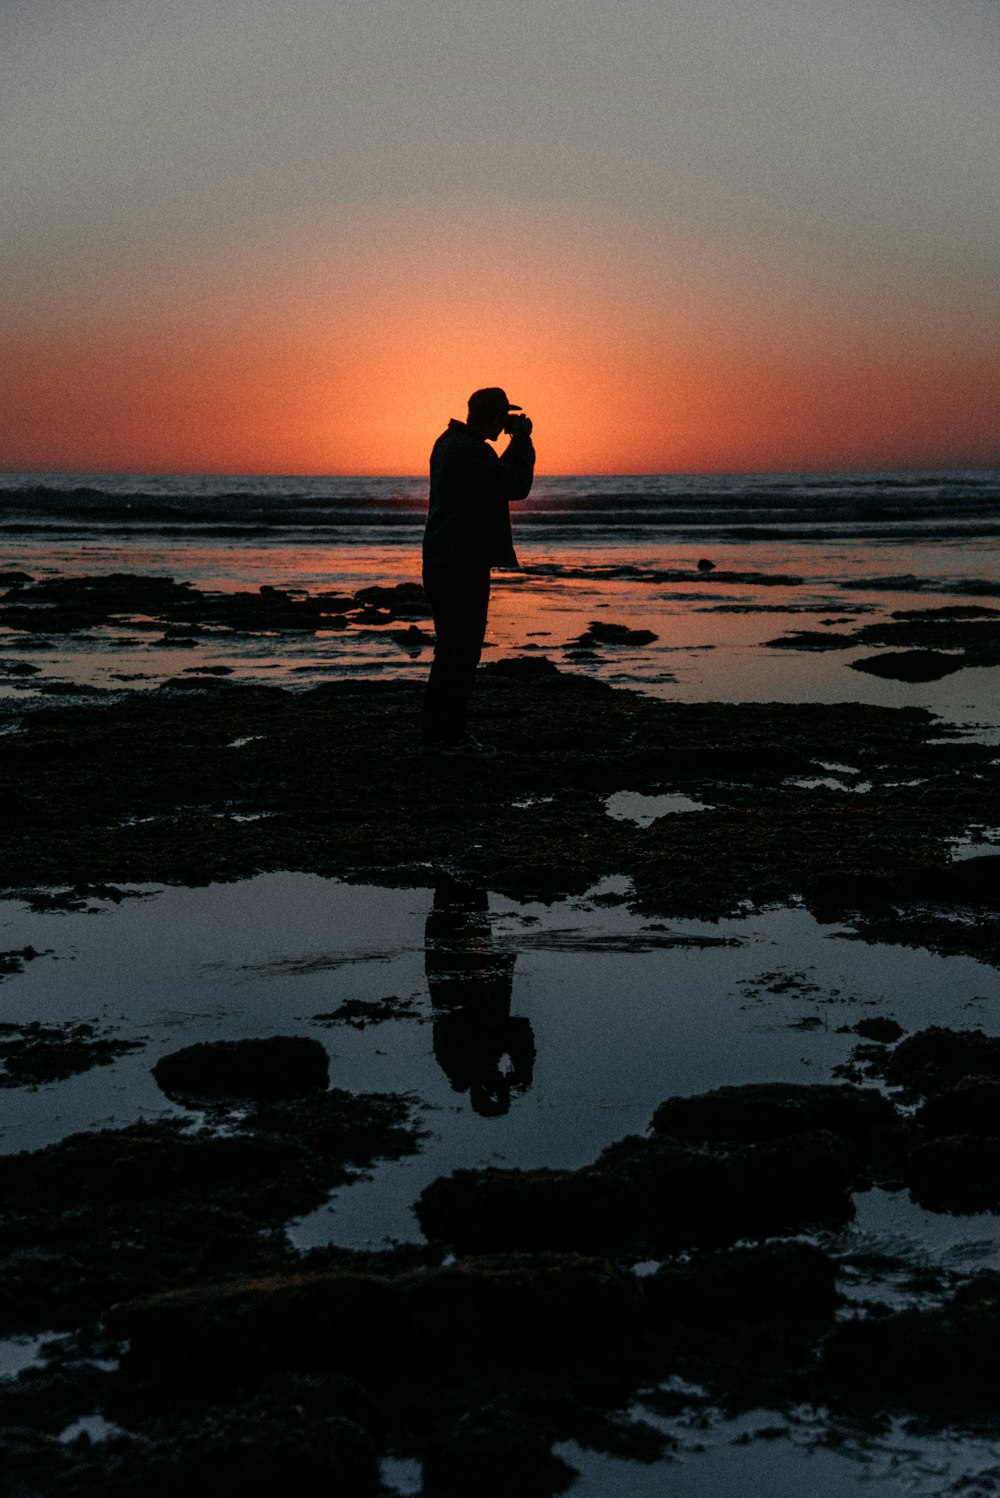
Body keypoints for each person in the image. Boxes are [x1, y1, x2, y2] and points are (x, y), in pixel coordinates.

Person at [421, 386, 535, 756]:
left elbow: (494, 477)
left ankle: (436, 735)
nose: (506, 425)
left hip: (444, 560)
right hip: (462, 564)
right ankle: (451, 736)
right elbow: (513, 485)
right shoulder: (471, 450)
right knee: (463, 652)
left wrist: (513, 443)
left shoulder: (449, 443)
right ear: (493, 415)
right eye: (503, 417)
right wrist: (523, 442)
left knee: (450, 651)